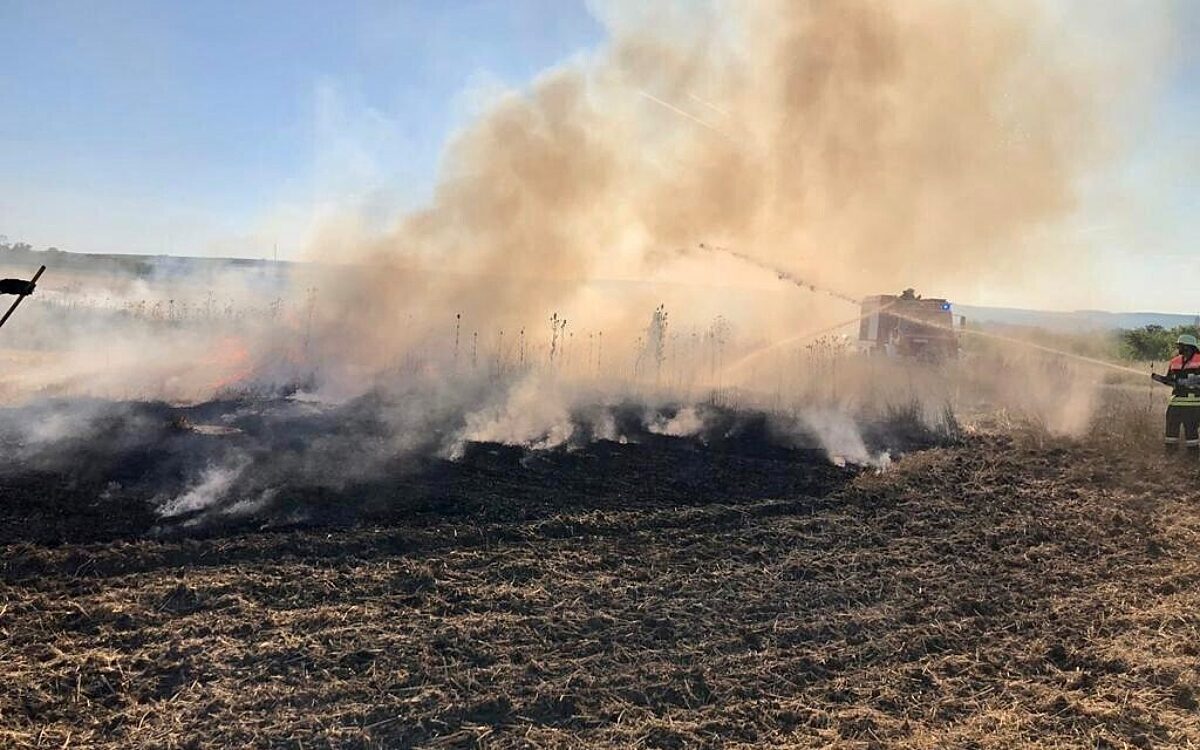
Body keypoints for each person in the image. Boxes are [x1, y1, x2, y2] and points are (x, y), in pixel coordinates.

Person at [1153, 334, 1200, 458]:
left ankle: (1192, 458)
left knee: (1191, 432)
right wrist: (1160, 379)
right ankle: (1170, 456)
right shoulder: (1174, 361)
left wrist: (1194, 381)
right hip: (1175, 403)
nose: (1178, 348)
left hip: (1194, 404)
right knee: (1171, 431)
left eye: (1180, 345)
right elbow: (1171, 380)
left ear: (1189, 347)